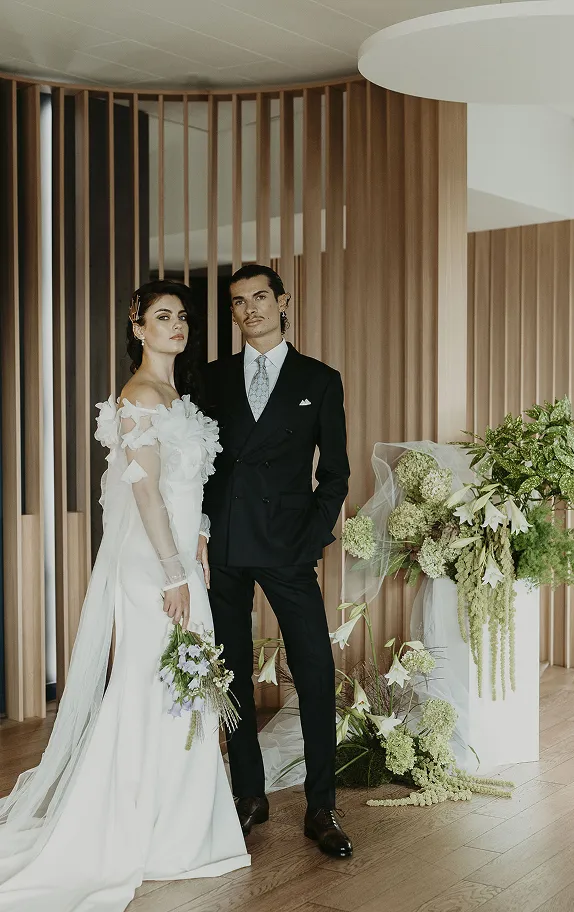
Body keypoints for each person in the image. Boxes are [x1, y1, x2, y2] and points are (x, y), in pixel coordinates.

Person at [0, 280, 250, 912]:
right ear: (138, 328)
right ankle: (153, 828)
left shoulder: (176, 394)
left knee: (181, 685)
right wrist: (171, 572)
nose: (177, 325)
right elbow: (144, 492)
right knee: (155, 685)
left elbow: (186, 485)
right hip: (152, 565)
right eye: (163, 316)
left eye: (183, 317)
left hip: (179, 554)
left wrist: (199, 533)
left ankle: (181, 823)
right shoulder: (138, 395)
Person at [199, 264, 352, 858]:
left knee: (314, 669)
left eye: (260, 297)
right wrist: (201, 532)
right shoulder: (211, 378)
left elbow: (334, 473)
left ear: (283, 302)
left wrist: (310, 537)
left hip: (287, 546)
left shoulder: (320, 379)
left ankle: (321, 806)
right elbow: (200, 464)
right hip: (226, 543)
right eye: (238, 302)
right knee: (231, 670)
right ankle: (249, 794)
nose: (250, 310)